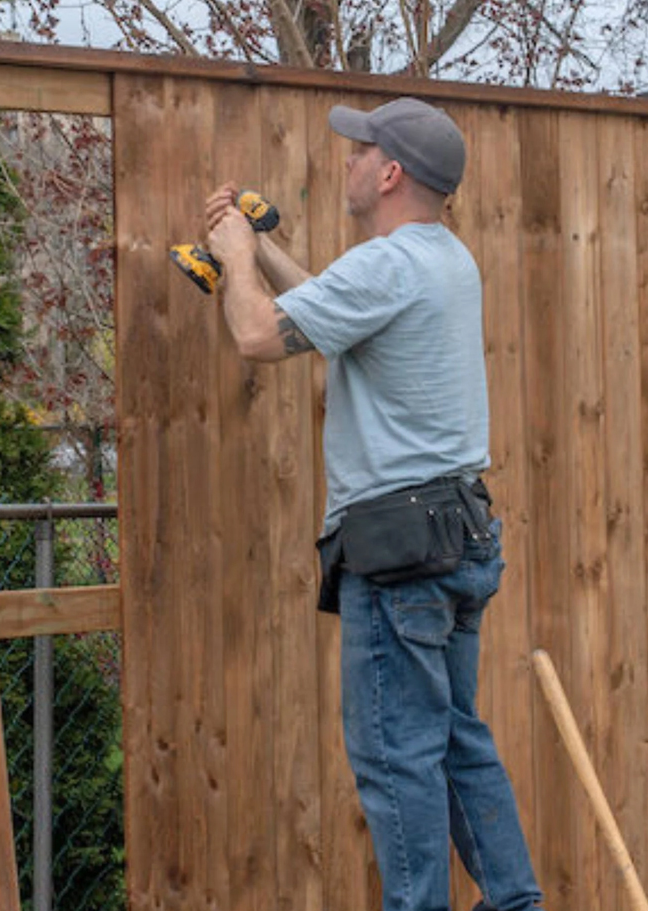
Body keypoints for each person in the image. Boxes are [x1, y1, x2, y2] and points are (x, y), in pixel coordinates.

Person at [206, 96, 544, 911]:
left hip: (398, 558)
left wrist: (232, 256)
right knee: (458, 742)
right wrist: (265, 249)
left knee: (397, 761)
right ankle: (516, 901)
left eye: (358, 152)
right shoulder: (442, 260)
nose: (347, 162)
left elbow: (257, 334)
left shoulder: (386, 267)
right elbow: (331, 303)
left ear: (389, 173)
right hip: (457, 543)